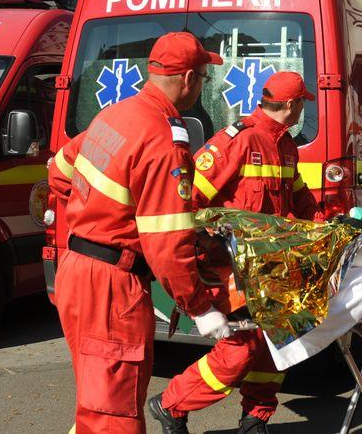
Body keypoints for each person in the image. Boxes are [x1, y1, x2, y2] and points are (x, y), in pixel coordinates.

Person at [48, 32, 230, 433]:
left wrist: (96, 214)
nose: (203, 85)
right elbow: (166, 244)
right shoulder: (164, 139)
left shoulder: (115, 114)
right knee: (113, 416)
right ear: (187, 79)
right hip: (112, 289)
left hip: (77, 271)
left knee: (95, 403)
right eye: (203, 77)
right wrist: (200, 307)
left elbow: (59, 169)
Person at [149, 71, 320, 434]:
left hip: (273, 266)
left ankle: (255, 419)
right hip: (233, 270)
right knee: (238, 351)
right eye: (302, 102)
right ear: (291, 105)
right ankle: (171, 404)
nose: (302, 107)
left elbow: (302, 200)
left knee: (276, 344)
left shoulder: (286, 145)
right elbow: (189, 198)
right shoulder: (237, 140)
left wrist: (331, 225)